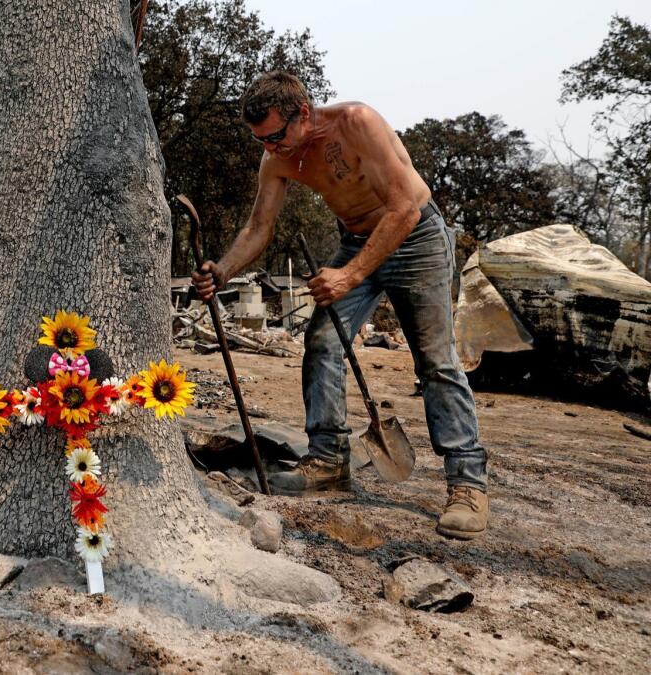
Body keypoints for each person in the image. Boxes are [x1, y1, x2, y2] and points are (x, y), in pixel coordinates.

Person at [191, 72, 489, 540]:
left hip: (417, 239)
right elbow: (258, 227)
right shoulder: (277, 156)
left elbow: (404, 209)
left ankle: (467, 483)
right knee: (323, 342)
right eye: (260, 140)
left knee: (436, 360)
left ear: (303, 114)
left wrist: (350, 275)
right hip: (357, 241)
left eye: (275, 136)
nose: (270, 148)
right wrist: (223, 271)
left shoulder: (357, 122)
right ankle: (328, 462)